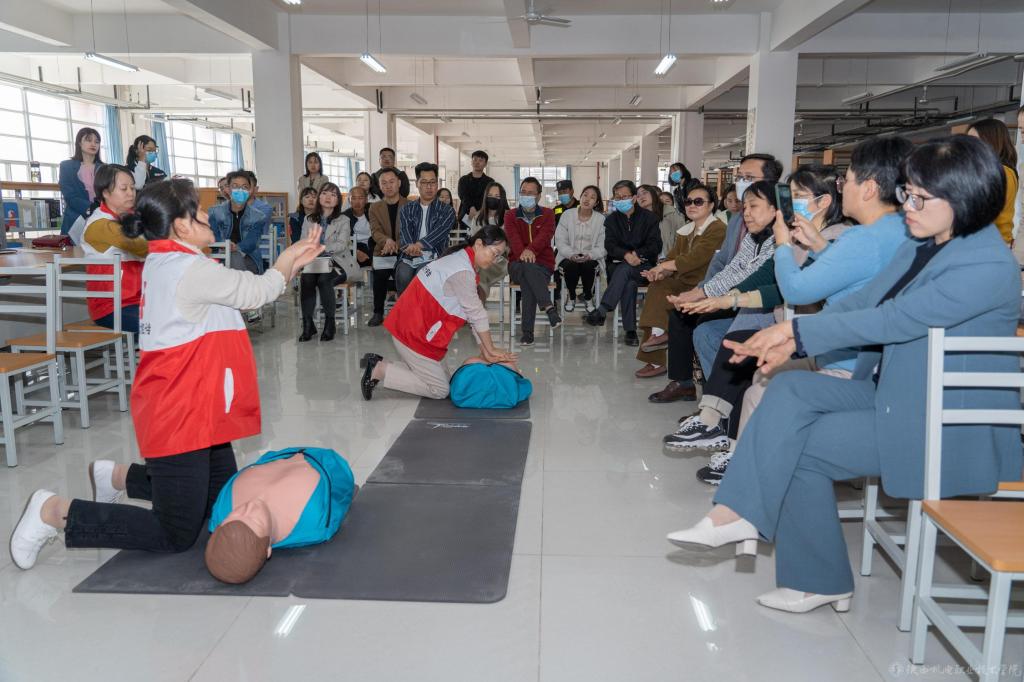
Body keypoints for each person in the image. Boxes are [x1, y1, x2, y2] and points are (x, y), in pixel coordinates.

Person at [665, 135, 1022, 615]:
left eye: (919, 197)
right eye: (907, 192)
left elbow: (894, 320)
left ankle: (778, 547)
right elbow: (863, 301)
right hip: (896, 395)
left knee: (797, 447)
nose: (906, 205)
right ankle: (750, 524)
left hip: (942, 425)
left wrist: (797, 333)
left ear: (965, 199)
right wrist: (788, 334)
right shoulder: (925, 245)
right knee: (789, 389)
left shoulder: (985, 265)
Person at [9, 179, 324, 570]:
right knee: (175, 532)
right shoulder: (189, 269)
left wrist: (290, 263)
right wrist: (289, 256)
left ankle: (118, 477)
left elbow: (247, 292)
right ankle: (54, 511)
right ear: (181, 226)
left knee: (220, 500)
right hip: (180, 410)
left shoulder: (169, 259)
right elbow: (257, 291)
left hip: (195, 399)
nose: (208, 214)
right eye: (199, 210)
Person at [670, 153, 913, 485]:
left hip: (846, 354)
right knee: (741, 356)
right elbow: (848, 289)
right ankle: (730, 442)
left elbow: (795, 290)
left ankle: (736, 449)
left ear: (868, 188)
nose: (842, 187)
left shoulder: (859, 238)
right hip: (833, 340)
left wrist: (783, 245)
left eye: (847, 181)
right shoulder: (873, 235)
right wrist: (816, 247)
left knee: (754, 363)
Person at [648, 180, 777, 402]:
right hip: (721, 289)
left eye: (753, 206)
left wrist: (708, 295)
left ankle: (722, 400)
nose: (746, 212)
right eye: (745, 206)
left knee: (703, 326)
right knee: (686, 316)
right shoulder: (749, 232)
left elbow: (756, 276)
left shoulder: (776, 238)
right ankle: (702, 392)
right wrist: (700, 292)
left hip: (758, 306)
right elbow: (732, 267)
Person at [360, 225, 516, 401]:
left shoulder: (462, 260)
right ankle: (379, 370)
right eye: (494, 253)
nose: (495, 260)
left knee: (445, 381)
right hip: (412, 332)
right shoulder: (462, 270)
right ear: (479, 244)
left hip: (414, 327)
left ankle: (380, 364)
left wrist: (486, 350)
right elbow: (477, 314)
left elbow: (472, 315)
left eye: (498, 256)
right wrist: (491, 349)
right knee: (440, 390)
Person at [205, 447, 355, 584]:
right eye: (255, 520)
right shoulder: (313, 522)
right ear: (268, 550)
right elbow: (341, 494)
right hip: (326, 461)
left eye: (236, 513)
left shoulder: (222, 509)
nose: (250, 506)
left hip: (279, 455)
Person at [634, 183, 727, 378]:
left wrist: (664, 268)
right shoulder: (687, 230)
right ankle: (658, 341)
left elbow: (695, 258)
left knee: (661, 294)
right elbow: (672, 258)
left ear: (711, 205)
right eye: (688, 201)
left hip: (704, 285)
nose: (691, 205)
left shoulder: (718, 229)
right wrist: (660, 273)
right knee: (658, 284)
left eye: (698, 202)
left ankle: (658, 343)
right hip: (683, 282)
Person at [581, 180, 662, 346]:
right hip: (617, 266)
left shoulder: (649, 218)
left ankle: (603, 309)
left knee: (626, 272)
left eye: (624, 196)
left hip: (644, 267)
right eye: (617, 197)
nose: (620, 200)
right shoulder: (611, 220)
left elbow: (656, 245)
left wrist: (637, 254)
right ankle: (630, 332)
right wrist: (625, 255)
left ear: (633, 198)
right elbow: (610, 245)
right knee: (628, 282)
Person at [79, 164, 147, 334]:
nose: (131, 193)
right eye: (124, 188)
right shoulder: (100, 224)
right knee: (160, 327)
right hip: (111, 308)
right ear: (105, 193)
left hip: (138, 301)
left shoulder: (131, 218)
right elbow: (139, 246)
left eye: (133, 188)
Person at [298, 182, 359, 343]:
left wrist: (321, 247)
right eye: (324, 193)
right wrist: (311, 250)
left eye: (333, 195)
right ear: (319, 197)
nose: (328, 197)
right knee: (306, 278)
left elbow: (342, 244)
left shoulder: (343, 219)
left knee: (324, 280)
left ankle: (330, 323)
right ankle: (308, 324)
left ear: (338, 200)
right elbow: (303, 241)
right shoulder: (309, 219)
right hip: (314, 261)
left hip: (338, 262)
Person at [505, 176, 562, 346]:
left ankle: (527, 333)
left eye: (530, 193)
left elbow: (545, 237)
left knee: (528, 278)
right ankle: (549, 307)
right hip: (516, 263)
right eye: (523, 192)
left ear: (538, 196)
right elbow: (513, 238)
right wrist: (523, 253)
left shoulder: (548, 214)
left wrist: (531, 250)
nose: (526, 195)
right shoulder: (510, 215)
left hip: (543, 265)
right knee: (527, 267)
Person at [395, 162, 456, 295]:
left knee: (422, 274)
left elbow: (439, 233)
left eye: (432, 182)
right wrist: (411, 247)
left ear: (437, 184)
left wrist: (419, 245)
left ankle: (421, 308)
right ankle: (406, 307)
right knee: (403, 274)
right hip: (409, 255)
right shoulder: (407, 209)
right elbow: (405, 232)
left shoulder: (447, 210)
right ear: (417, 184)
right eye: (424, 182)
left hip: (435, 255)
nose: (429, 186)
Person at [966, 118, 1018, 246]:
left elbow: (979, 215)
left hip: (991, 244)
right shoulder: (997, 171)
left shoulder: (1001, 172)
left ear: (991, 142)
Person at [554, 185, 605, 313]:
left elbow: (603, 245)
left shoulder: (600, 219)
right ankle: (571, 296)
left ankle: (588, 297)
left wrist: (590, 255)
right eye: (585, 195)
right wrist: (571, 254)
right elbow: (560, 240)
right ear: (580, 197)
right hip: (568, 256)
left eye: (592, 197)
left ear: (596, 202)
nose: (587, 199)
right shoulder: (567, 215)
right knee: (571, 265)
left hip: (592, 257)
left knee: (588, 265)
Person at [207, 171, 270, 276]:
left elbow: (252, 242)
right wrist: (226, 246)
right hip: (220, 256)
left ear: (250, 191)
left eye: (244, 187)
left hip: (248, 257)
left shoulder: (258, 216)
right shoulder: (214, 212)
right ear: (228, 189)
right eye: (235, 186)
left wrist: (236, 248)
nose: (240, 190)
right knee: (232, 259)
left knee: (234, 257)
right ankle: (244, 285)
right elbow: (212, 237)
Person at [367, 168, 408, 326]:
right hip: (383, 250)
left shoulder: (410, 205)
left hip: (404, 251)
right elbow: (375, 231)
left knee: (405, 275)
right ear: (379, 186)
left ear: (399, 183)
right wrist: (387, 241)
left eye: (391, 182)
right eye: (384, 183)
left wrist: (396, 244)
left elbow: (410, 232)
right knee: (379, 275)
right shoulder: (374, 207)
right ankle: (378, 312)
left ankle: (406, 311)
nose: (388, 186)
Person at [58, 127, 104, 235]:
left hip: (102, 218)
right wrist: (91, 208)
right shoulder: (66, 166)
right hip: (76, 219)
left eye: (97, 142)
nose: (93, 144)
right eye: (89, 140)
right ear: (79, 143)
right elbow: (70, 196)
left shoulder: (105, 168)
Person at [472, 181, 510, 303]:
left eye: (497, 196)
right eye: (490, 195)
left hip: (499, 260)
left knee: (481, 273)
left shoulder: (508, 217)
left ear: (502, 198)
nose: (493, 198)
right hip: (479, 258)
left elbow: (509, 245)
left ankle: (477, 305)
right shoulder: (478, 218)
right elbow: (473, 242)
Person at [449, 356, 532, 410]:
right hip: (501, 373)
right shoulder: (507, 367)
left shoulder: (471, 362)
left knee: (471, 362)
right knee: (508, 365)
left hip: (473, 371)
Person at [638, 182, 685, 259]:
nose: (641, 197)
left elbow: (682, 240)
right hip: (645, 260)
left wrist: (671, 259)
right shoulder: (638, 219)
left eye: (644, 193)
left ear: (654, 194)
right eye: (638, 196)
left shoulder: (671, 213)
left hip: (670, 259)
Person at [457, 150, 493, 222]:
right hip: (465, 216)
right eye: (475, 159)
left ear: (485, 164)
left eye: (480, 160)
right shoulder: (463, 179)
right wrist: (471, 207)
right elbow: (463, 196)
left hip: (483, 215)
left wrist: (479, 212)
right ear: (471, 162)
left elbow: (488, 198)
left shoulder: (490, 182)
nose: (477, 162)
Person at [342, 185, 373, 270]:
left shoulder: (373, 211)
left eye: (360, 198)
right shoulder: (344, 216)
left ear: (366, 200)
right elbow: (343, 240)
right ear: (349, 200)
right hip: (356, 246)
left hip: (373, 244)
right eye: (353, 198)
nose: (357, 202)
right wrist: (355, 251)